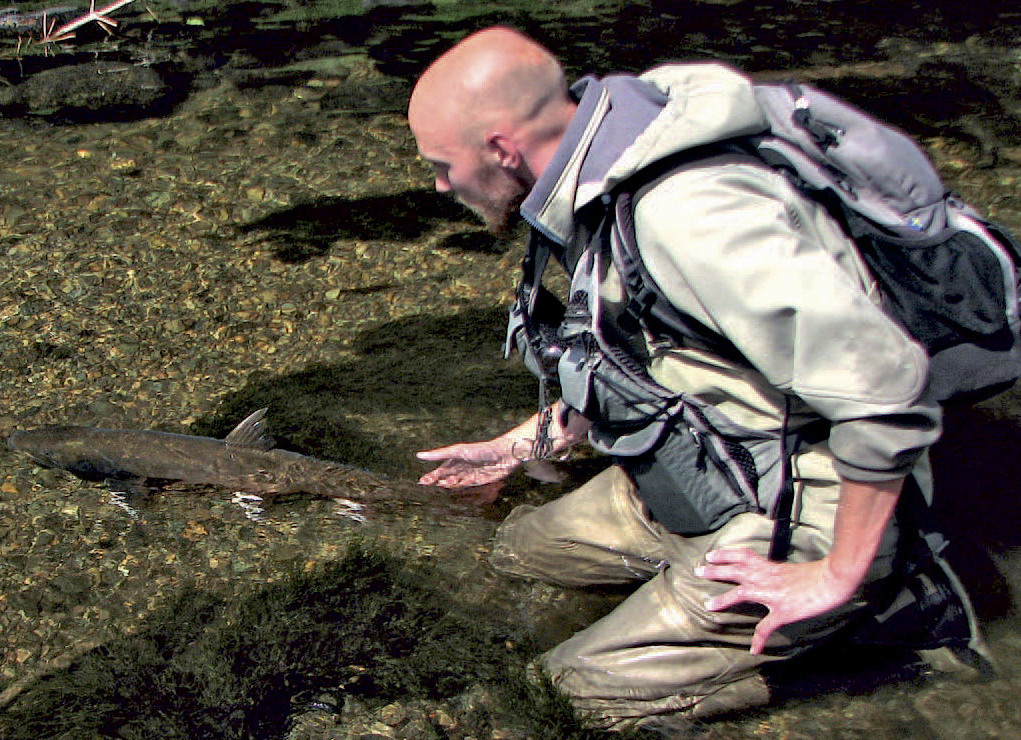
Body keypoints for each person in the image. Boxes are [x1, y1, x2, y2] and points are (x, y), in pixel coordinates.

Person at [408, 26, 990, 729]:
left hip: (798, 512)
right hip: (709, 463)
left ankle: (882, 616)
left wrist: (834, 573)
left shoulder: (692, 216)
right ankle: (710, 600)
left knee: (560, 699)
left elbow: (889, 390)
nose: (440, 184)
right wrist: (515, 448)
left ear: (501, 148)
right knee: (519, 552)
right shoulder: (600, 162)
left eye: (442, 164)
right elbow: (635, 358)